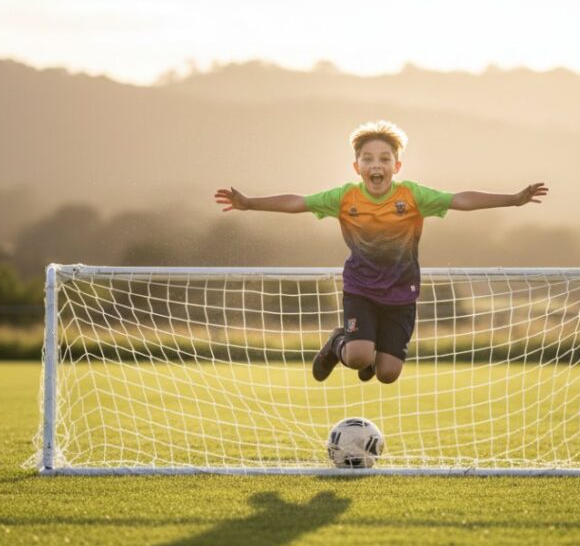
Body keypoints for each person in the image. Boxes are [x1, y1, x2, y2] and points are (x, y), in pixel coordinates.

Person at [214, 120, 548, 384]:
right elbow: (298, 202)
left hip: (401, 296)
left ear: (397, 166)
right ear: (356, 166)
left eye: (384, 159)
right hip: (360, 289)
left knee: (387, 374)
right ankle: (337, 345)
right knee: (358, 356)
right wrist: (249, 204)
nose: (377, 165)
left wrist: (513, 199)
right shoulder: (345, 198)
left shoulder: (413, 196)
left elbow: (461, 199)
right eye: (368, 159)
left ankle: (371, 354)